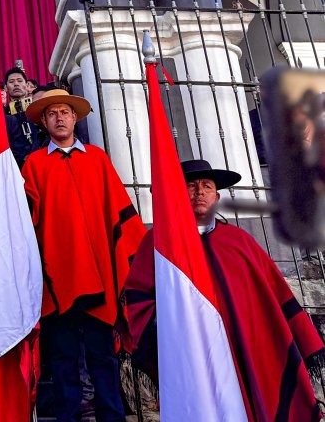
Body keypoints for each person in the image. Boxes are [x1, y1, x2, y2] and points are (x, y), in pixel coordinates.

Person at [124, 157, 325, 422]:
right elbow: (137, 298)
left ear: (217, 196)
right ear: (177, 192)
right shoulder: (158, 245)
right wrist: (169, 323)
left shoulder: (240, 241)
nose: (199, 193)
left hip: (247, 348)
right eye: (191, 186)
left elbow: (276, 296)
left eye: (206, 186)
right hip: (192, 352)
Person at [22, 87, 146, 422]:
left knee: (102, 355)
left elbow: (120, 212)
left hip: (99, 272)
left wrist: (136, 263)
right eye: (52, 113)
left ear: (75, 118)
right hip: (56, 275)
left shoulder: (98, 159)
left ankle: (112, 416)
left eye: (64, 111)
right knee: (62, 357)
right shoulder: (34, 164)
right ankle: (67, 417)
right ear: (44, 123)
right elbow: (25, 222)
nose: (59, 117)